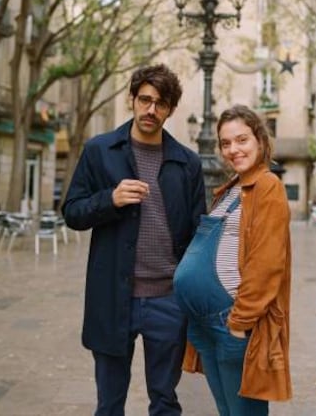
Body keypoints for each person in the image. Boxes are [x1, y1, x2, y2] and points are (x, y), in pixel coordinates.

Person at [62, 64, 206, 416]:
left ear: (170, 109)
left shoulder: (187, 163)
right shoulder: (99, 151)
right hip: (113, 298)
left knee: (165, 402)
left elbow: (198, 237)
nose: (151, 110)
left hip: (168, 302)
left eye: (160, 103)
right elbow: (72, 212)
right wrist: (108, 199)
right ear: (132, 100)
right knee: (109, 404)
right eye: (144, 100)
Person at [174, 104, 292, 416]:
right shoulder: (229, 190)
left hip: (232, 322)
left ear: (260, 141)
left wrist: (239, 322)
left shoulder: (268, 187)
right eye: (226, 143)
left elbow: (267, 264)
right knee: (227, 411)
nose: (233, 150)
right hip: (204, 322)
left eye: (241, 140)